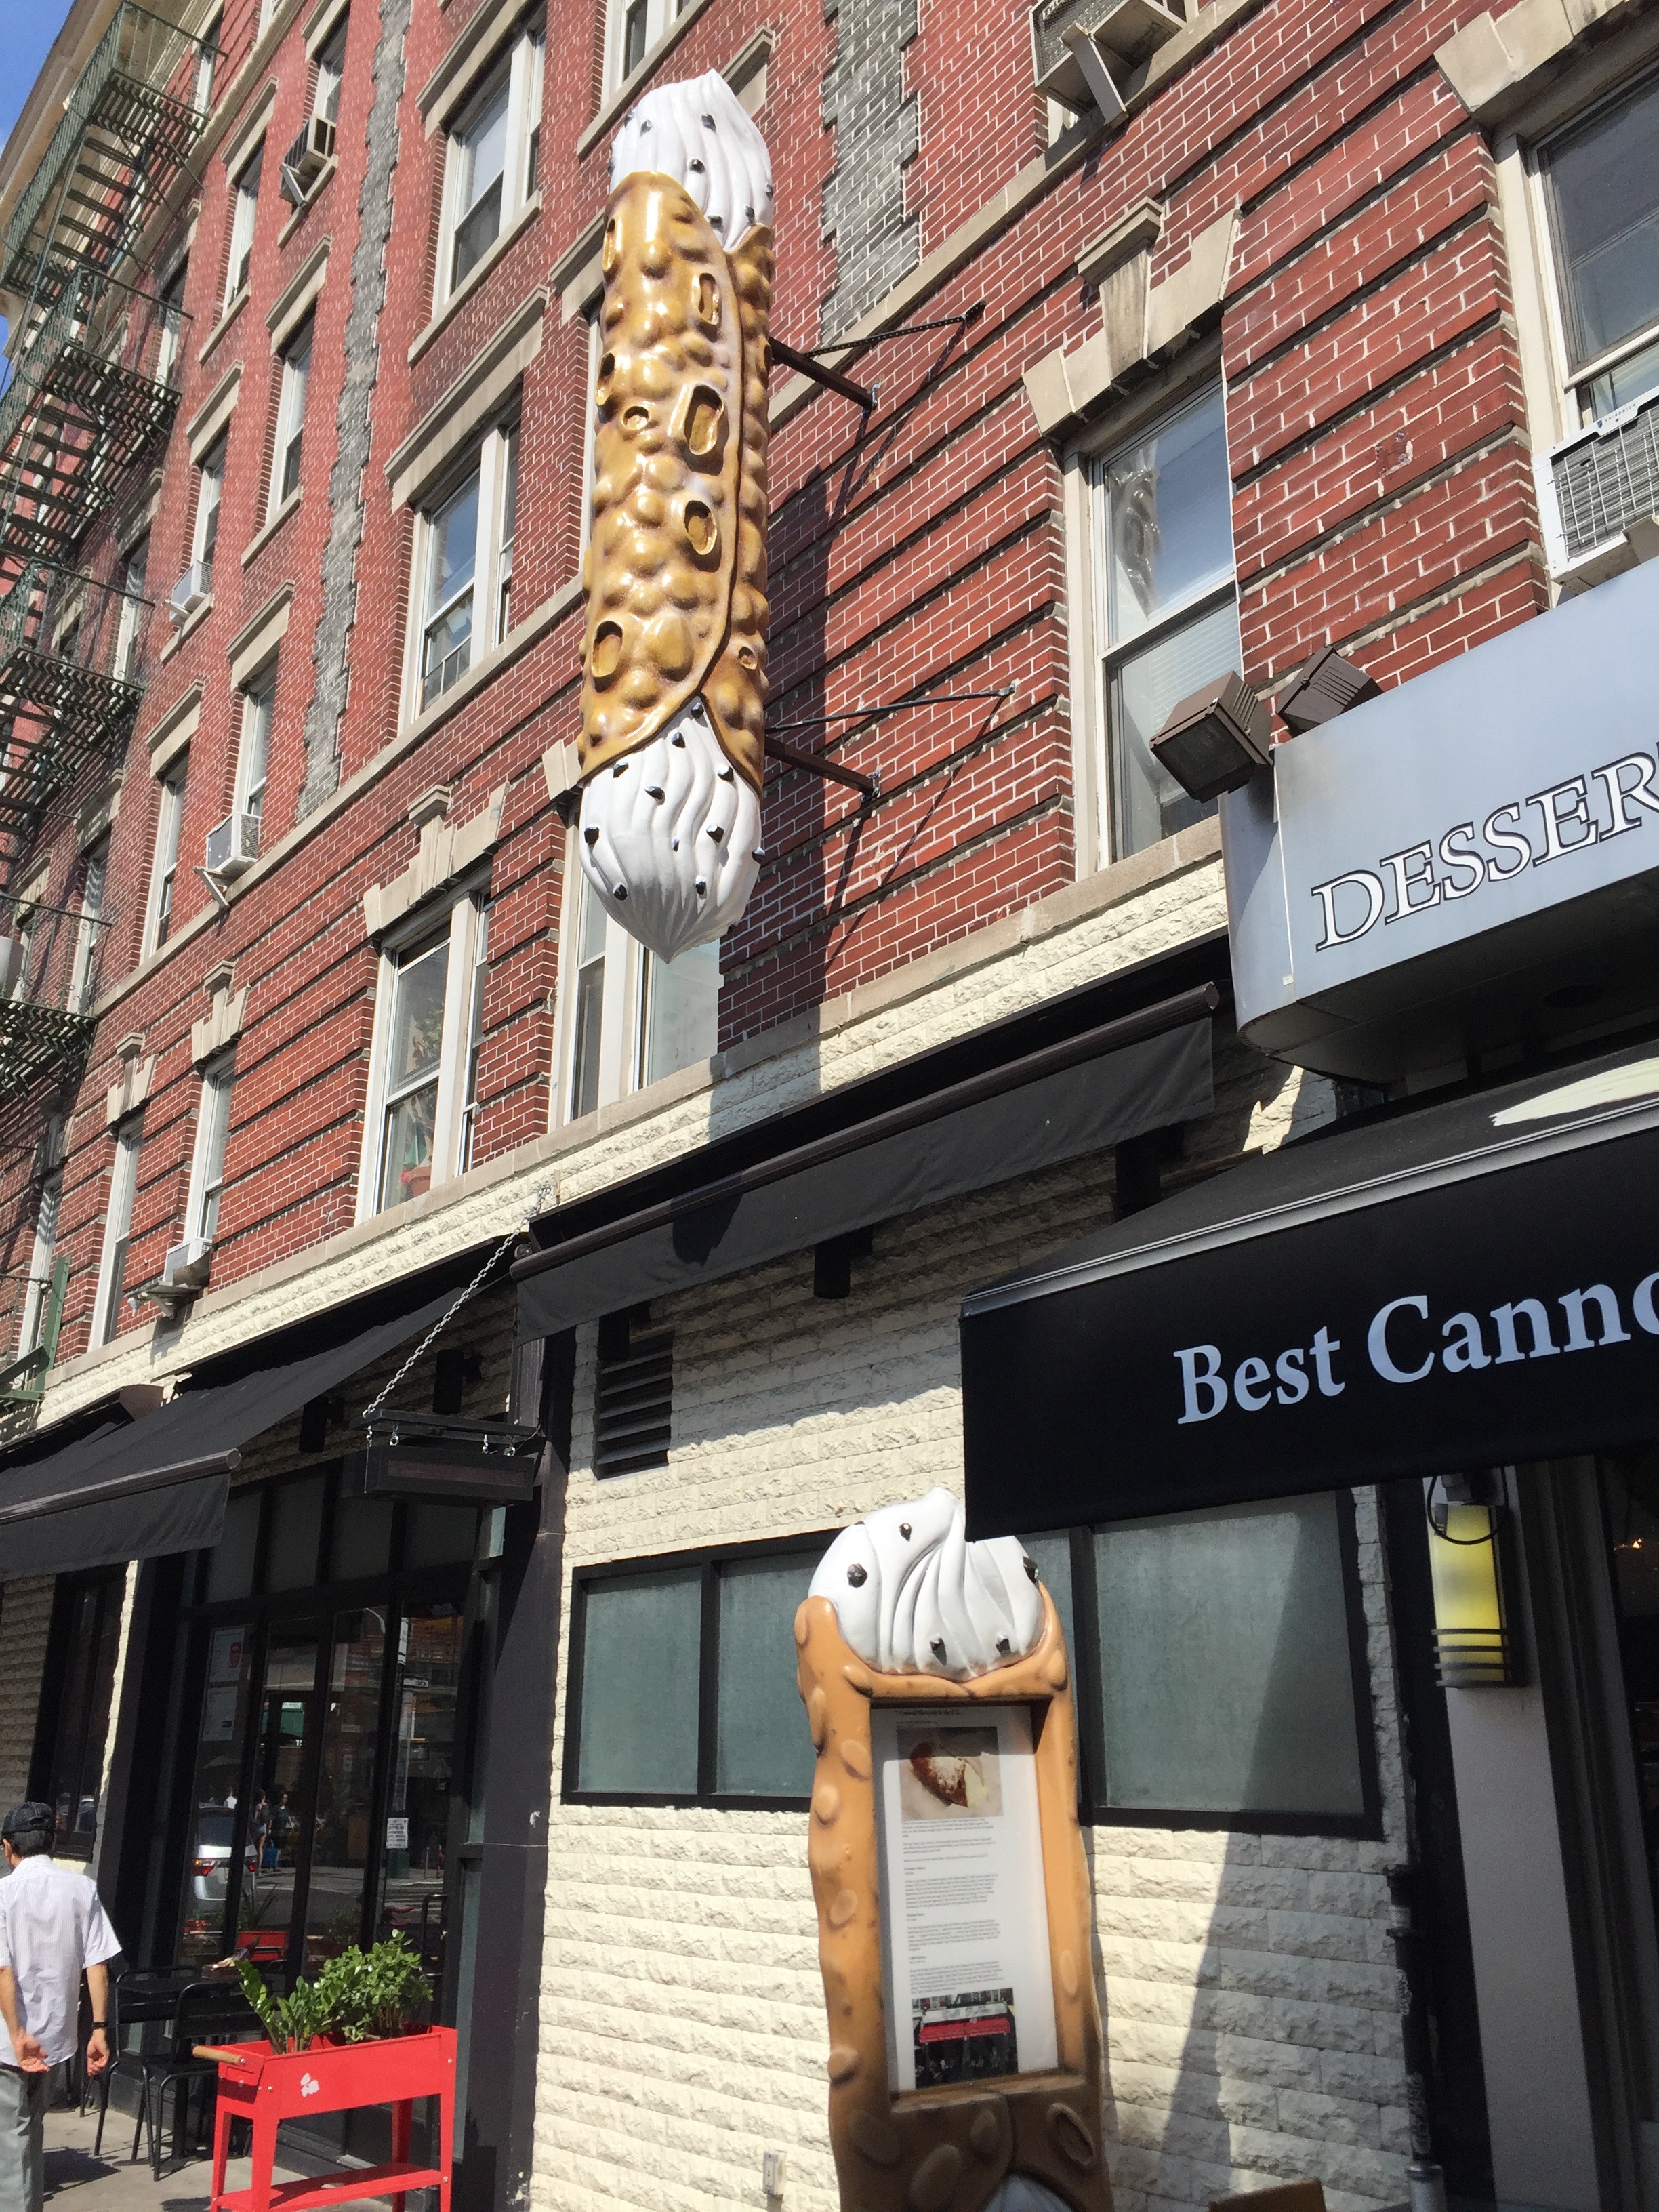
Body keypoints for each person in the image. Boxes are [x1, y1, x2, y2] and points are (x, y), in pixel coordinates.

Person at [0, 1803, 119, 2212]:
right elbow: (97, 1963)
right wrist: (99, 2029)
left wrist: (16, 2034)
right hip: (56, 2036)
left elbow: (3, 1973)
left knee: (13, 2135)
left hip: (10, 2041)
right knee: (28, 2128)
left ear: (7, 1848)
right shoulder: (81, 1888)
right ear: (53, 1841)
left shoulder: (3, 1893)